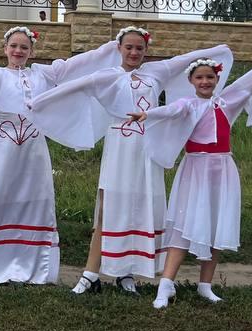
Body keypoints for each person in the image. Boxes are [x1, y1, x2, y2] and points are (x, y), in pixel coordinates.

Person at [29, 27, 233, 294]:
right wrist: (40, 102)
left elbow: (187, 59)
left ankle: (126, 273)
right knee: (109, 208)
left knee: (139, 209)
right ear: (119, 49)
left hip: (148, 148)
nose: (134, 52)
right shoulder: (106, 76)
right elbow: (73, 87)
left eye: (139, 48)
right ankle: (90, 275)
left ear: (146, 50)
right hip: (119, 147)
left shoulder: (157, 72)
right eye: (129, 48)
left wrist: (222, 50)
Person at [0, 26, 117, 287]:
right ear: (5, 49)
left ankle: (33, 265)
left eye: (24, 47)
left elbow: (77, 63)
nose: (18, 51)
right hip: (3, 150)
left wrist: (110, 48)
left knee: (34, 203)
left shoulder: (42, 74)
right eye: (14, 46)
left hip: (34, 152)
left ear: (31, 51)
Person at [126, 41, 252, 309]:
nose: (205, 81)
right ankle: (165, 285)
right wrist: (147, 114)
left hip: (222, 169)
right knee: (183, 225)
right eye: (199, 77)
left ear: (217, 78)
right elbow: (171, 111)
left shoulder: (228, 101)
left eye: (210, 77)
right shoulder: (188, 104)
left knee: (217, 224)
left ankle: (205, 285)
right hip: (195, 170)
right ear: (191, 81)